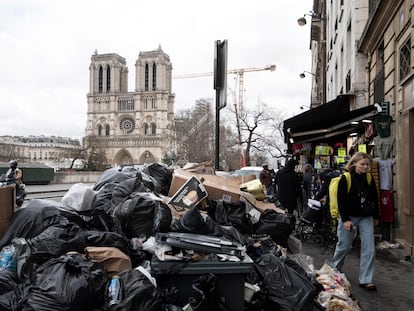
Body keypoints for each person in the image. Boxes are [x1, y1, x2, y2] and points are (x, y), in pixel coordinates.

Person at [331, 152, 379, 291]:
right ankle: (335, 269)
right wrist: (345, 219)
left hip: (365, 217)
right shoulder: (346, 178)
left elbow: (374, 198)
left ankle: (366, 279)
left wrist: (376, 216)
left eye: (367, 164)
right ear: (353, 164)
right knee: (344, 245)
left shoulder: (369, 178)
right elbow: (341, 200)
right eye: (362, 164)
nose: (365, 167)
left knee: (369, 247)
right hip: (349, 216)